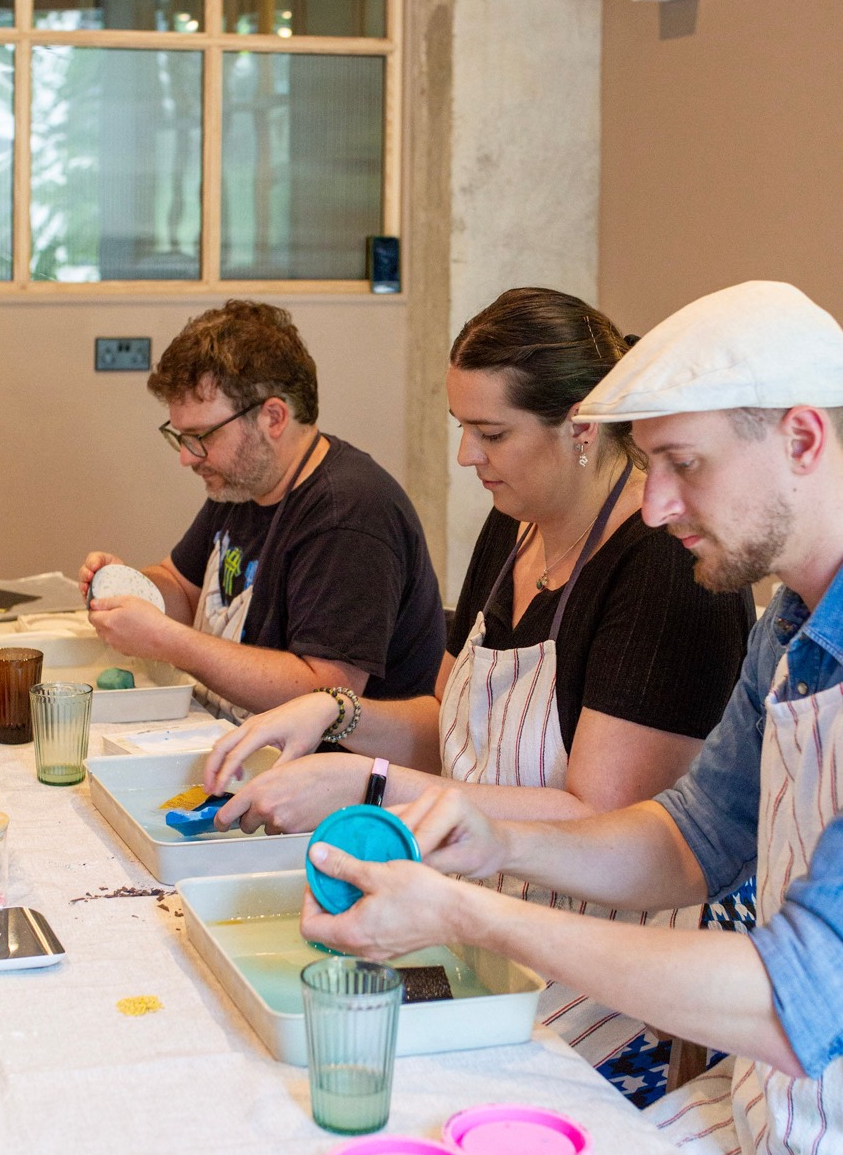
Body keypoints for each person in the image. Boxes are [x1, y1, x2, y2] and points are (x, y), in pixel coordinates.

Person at [297, 280, 843, 1155]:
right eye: (649, 464)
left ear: (801, 438)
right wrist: (499, 842)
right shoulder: (789, 626)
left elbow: (794, 1002)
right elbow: (688, 842)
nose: (659, 504)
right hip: (766, 1116)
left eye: (684, 464)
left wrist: (475, 913)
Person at [204, 287, 755, 1086]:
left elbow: (598, 813)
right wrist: (334, 713)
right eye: (463, 427)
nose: (467, 456)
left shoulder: (664, 566)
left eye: (491, 433)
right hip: (470, 916)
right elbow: (450, 724)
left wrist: (370, 783)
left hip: (598, 975)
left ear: (581, 427)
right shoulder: (512, 524)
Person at [79, 300, 445, 722]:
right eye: (180, 436)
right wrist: (126, 590)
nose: (186, 457)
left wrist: (170, 642)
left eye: (201, 435)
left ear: (273, 417)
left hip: (335, 776)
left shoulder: (348, 514)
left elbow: (326, 695)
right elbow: (180, 586)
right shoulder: (242, 486)